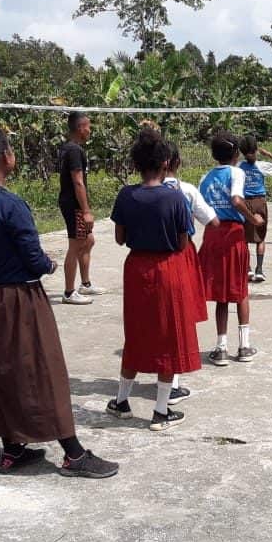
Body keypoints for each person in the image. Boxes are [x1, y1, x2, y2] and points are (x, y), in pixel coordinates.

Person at [0, 127, 118, 478]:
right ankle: (73, 453)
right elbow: (33, 259)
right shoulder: (9, 204)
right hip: (19, 297)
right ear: (4, 157)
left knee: (5, 370)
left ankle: (12, 447)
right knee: (44, 371)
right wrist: (50, 264)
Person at [105, 129, 201, 431]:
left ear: (136, 164)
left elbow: (120, 239)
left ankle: (121, 401)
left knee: (135, 333)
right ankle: (161, 411)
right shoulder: (174, 198)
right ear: (165, 163)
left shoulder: (125, 195)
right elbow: (183, 242)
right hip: (167, 269)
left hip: (135, 269)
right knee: (167, 337)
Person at [198, 132, 264, 366]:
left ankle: (221, 348)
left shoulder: (205, 178)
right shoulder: (237, 172)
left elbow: (200, 209)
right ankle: (244, 346)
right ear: (236, 153)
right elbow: (236, 200)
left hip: (213, 234)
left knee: (221, 295)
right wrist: (252, 219)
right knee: (240, 290)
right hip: (233, 234)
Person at [161, 143, 218, 405]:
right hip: (180, 253)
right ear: (177, 163)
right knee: (180, 316)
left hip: (147, 256)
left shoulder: (142, 192)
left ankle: (165, 379)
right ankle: (171, 383)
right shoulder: (186, 190)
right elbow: (212, 220)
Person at [57, 112, 104, 305]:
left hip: (72, 202)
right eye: (88, 127)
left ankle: (85, 284)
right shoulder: (74, 151)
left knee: (89, 240)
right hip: (73, 203)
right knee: (75, 245)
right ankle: (69, 292)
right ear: (80, 128)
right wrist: (86, 211)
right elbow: (78, 182)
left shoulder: (69, 148)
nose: (89, 130)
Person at [238, 135, 272, 282]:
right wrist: (269, 154)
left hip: (244, 203)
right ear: (256, 150)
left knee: (244, 238)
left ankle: (248, 270)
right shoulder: (261, 165)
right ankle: (259, 269)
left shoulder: (238, 166)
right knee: (261, 237)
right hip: (259, 202)